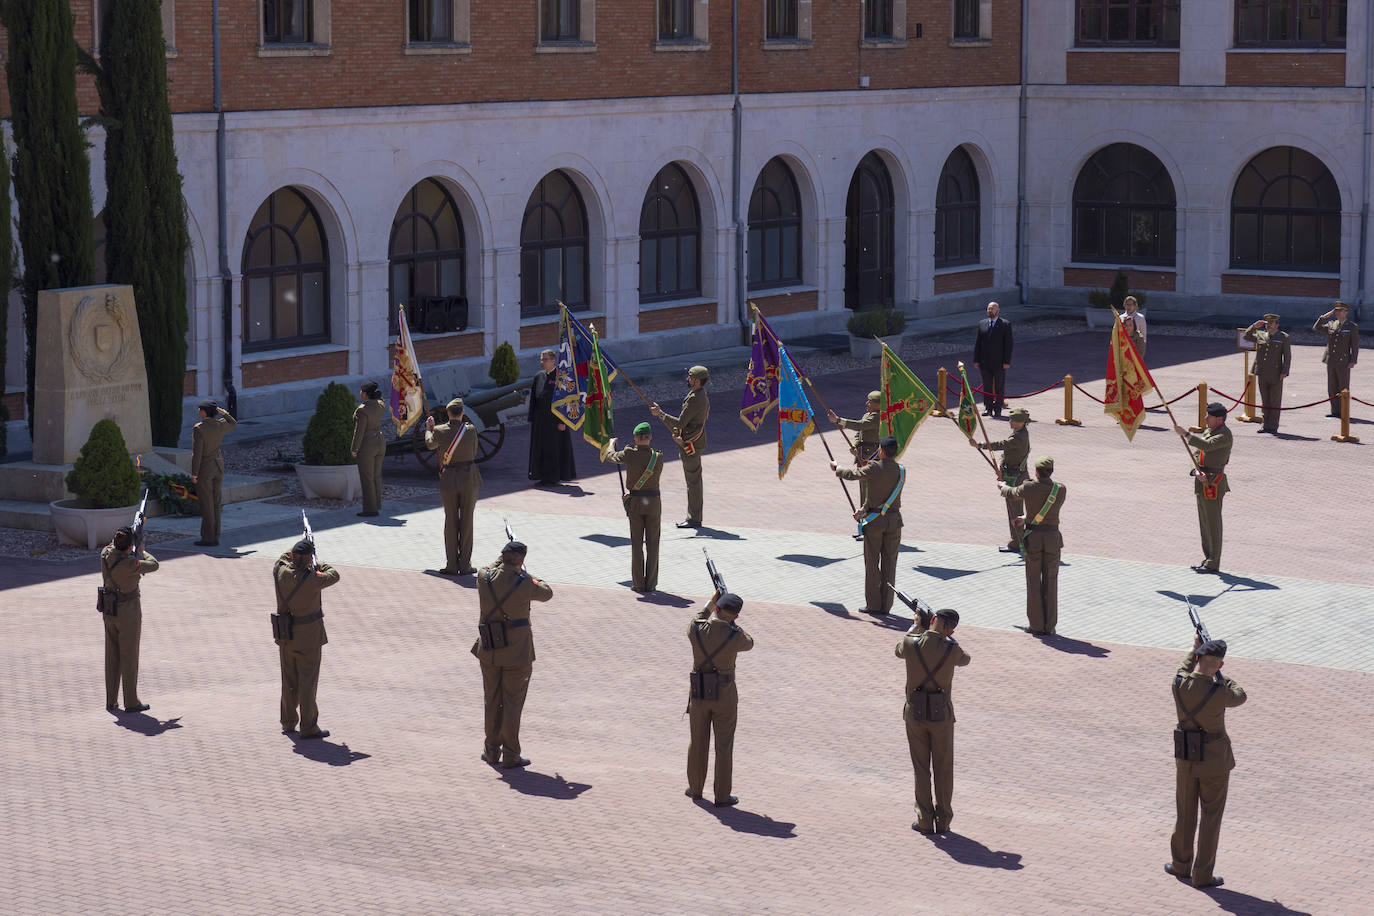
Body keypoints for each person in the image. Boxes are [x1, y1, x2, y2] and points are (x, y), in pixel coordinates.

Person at [1167, 637, 1247, 889]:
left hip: (1187, 755)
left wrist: (1194, 647)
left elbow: (1184, 666)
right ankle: (1203, 874)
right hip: (1214, 761)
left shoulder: (1179, 682)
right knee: (1210, 816)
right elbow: (1241, 696)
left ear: (1199, 659)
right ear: (1220, 664)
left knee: (1185, 812)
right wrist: (1221, 675)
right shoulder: (1220, 692)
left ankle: (1180, 864)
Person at [471, 541, 553, 769]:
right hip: (517, 652)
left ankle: (490, 750)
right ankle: (510, 754)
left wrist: (507, 562)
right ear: (521, 561)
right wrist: (525, 573)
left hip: (489, 648)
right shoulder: (524, 582)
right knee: (512, 703)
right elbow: (547, 592)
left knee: (491, 700)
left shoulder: (484, 577)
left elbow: (492, 566)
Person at [897, 607, 970, 835]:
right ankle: (944, 819)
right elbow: (966, 660)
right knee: (943, 769)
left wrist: (917, 627)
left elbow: (899, 650)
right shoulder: (952, 649)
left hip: (915, 713)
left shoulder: (911, 643)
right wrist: (947, 638)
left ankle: (925, 819)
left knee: (921, 769)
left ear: (933, 620)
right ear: (951, 629)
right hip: (941, 717)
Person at [686, 590, 754, 807]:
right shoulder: (735, 636)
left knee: (698, 742)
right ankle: (722, 796)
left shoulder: (696, 630)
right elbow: (750, 642)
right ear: (735, 616)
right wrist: (732, 625)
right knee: (724, 746)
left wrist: (710, 602)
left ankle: (695, 788)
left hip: (699, 692)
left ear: (716, 609)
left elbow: (698, 618)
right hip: (724, 694)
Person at [273, 538, 340, 739]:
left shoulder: (280, 571)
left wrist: (303, 549)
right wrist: (316, 562)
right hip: (309, 635)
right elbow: (334, 574)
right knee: (307, 681)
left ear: (293, 556)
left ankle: (288, 721)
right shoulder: (313, 579)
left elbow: (284, 557)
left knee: (288, 678)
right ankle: (308, 725)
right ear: (309, 558)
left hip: (286, 632)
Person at [831, 435, 904, 615]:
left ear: (881, 450)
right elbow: (884, 498)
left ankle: (873, 604)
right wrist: (862, 510)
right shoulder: (901, 470)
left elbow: (852, 474)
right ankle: (886, 605)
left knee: (872, 564)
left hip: (875, 523)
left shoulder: (874, 468)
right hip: (894, 521)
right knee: (890, 563)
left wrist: (837, 468)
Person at [999, 456, 1066, 636]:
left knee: (1034, 581)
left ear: (1036, 472)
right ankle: (1050, 625)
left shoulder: (1029, 487)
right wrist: (1027, 518)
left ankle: (1036, 625)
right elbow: (1047, 511)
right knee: (1051, 582)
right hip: (1052, 538)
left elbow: (1010, 492)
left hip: (1034, 538)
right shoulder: (1060, 489)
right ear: (1051, 471)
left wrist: (1002, 485)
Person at [99, 525, 159, 713]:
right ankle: (131, 702)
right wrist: (141, 550)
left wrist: (132, 534)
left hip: (110, 609)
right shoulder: (130, 564)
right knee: (129, 656)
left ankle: (111, 700)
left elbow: (114, 545)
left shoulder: (106, 553)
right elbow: (154, 564)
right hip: (128, 612)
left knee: (112, 656)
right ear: (130, 546)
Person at [425, 398, 482, 575]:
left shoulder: (440, 431)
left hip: (449, 478)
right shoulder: (471, 431)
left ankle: (451, 564)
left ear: (448, 413)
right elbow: (474, 451)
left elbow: (429, 444)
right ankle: (465, 565)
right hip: (469, 478)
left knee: (450, 521)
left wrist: (429, 429)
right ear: (462, 412)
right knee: (467, 521)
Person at [1174, 403, 1232, 575]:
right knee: (1204, 523)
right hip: (1202, 481)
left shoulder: (1224, 435)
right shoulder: (1209, 432)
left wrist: (1185, 434)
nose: (1205, 418)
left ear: (1219, 419)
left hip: (1213, 482)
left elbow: (1206, 447)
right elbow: (1196, 454)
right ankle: (1208, 559)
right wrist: (1194, 470)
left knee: (1213, 524)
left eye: (1209, 416)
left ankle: (1214, 562)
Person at [605, 422, 663, 592]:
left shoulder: (630, 453)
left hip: (636, 502)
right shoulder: (658, 457)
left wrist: (610, 444)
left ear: (635, 438)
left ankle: (638, 583)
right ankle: (651, 583)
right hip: (653, 503)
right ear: (650, 437)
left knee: (637, 543)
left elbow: (610, 456)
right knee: (653, 543)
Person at [652, 365, 710, 529]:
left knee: (693, 483)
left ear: (697, 381)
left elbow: (680, 422)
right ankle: (694, 517)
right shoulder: (699, 394)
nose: (688, 379)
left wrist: (660, 414)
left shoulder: (695, 398)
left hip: (690, 444)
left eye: (690, 377)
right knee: (694, 481)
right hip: (693, 441)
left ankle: (694, 519)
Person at [974, 405, 1031, 552]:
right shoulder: (1019, 433)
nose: (1010, 422)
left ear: (1021, 422)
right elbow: (1006, 453)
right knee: (1013, 509)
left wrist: (981, 445)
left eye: (1013, 420)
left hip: (1016, 479)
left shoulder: (1019, 437)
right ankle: (1018, 539)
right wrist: (1000, 466)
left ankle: (1017, 542)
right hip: (1012, 474)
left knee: (1015, 511)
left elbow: (1003, 445)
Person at [527, 348, 577, 486]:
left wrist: (563, 421)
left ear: (553, 360)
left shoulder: (561, 377)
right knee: (540, 448)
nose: (542, 362)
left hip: (555, 420)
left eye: (545, 359)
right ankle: (542, 475)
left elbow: (567, 400)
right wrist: (532, 418)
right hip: (540, 419)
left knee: (553, 449)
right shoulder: (539, 376)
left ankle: (554, 477)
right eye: (541, 359)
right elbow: (533, 399)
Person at [190, 400, 237, 547]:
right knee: (216, 503)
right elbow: (233, 423)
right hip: (218, 466)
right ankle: (215, 535)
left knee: (207, 504)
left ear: (204, 412)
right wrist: (224, 413)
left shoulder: (199, 428)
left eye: (200, 409)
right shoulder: (219, 424)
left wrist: (194, 473)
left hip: (205, 469)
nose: (198, 411)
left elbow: (197, 454)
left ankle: (208, 538)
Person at [827, 390, 882, 512]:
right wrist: (855, 445)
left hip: (872, 456)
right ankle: (864, 517)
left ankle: (869, 517)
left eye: (870, 402)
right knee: (863, 487)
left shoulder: (877, 417)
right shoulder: (868, 414)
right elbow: (859, 433)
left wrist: (838, 420)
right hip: (862, 454)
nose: (867, 403)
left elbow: (859, 425)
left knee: (869, 488)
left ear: (878, 405)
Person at [1243, 314, 1291, 434]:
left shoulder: (1283, 337)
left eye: (1271, 323)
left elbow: (1287, 356)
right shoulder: (1260, 334)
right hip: (1262, 372)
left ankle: (1273, 426)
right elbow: (1246, 336)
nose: (1269, 325)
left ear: (1277, 325)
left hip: (1276, 373)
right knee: (1265, 400)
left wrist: (1284, 371)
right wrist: (1254, 326)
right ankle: (1265, 425)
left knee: (1274, 400)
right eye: (1267, 323)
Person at [1312, 301, 1360, 417]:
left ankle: (1343, 411)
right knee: (1332, 386)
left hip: (1343, 361)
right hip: (1331, 360)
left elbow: (1354, 345)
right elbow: (1316, 328)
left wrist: (1353, 360)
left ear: (1346, 312)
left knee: (1343, 387)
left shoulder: (1351, 327)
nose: (1337, 313)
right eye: (1336, 311)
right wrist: (1323, 317)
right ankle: (1335, 411)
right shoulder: (1331, 324)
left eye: (1340, 311)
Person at [351, 380, 386, 516]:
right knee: (376, 476)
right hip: (380, 441)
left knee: (367, 477)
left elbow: (359, 432)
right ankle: (376, 504)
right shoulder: (380, 405)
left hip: (367, 445)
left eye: (361, 391)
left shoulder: (362, 411)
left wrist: (354, 449)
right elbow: (381, 400)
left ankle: (370, 509)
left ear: (365, 394)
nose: (360, 393)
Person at [973, 301, 1013, 418]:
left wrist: (1006, 361)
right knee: (987, 386)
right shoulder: (982, 324)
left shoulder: (1005, 324)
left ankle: (998, 409)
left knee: (999, 386)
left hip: (999, 362)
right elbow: (978, 343)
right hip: (985, 362)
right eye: (989, 309)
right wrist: (976, 359)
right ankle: (988, 408)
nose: (990, 311)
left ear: (998, 310)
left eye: (992, 309)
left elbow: (1008, 344)